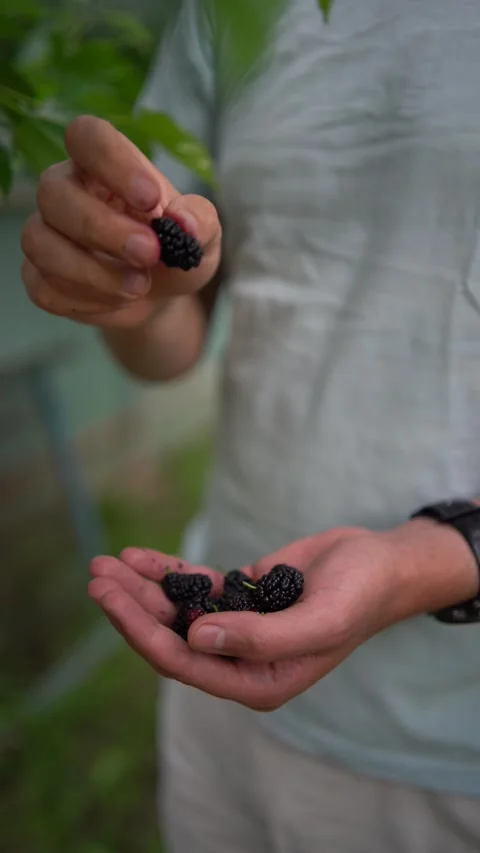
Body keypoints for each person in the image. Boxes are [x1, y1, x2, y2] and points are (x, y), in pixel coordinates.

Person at [20, 1, 480, 850]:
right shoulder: (227, 14)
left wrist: (432, 562)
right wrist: (138, 291)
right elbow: (168, 343)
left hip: (454, 758)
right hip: (222, 695)